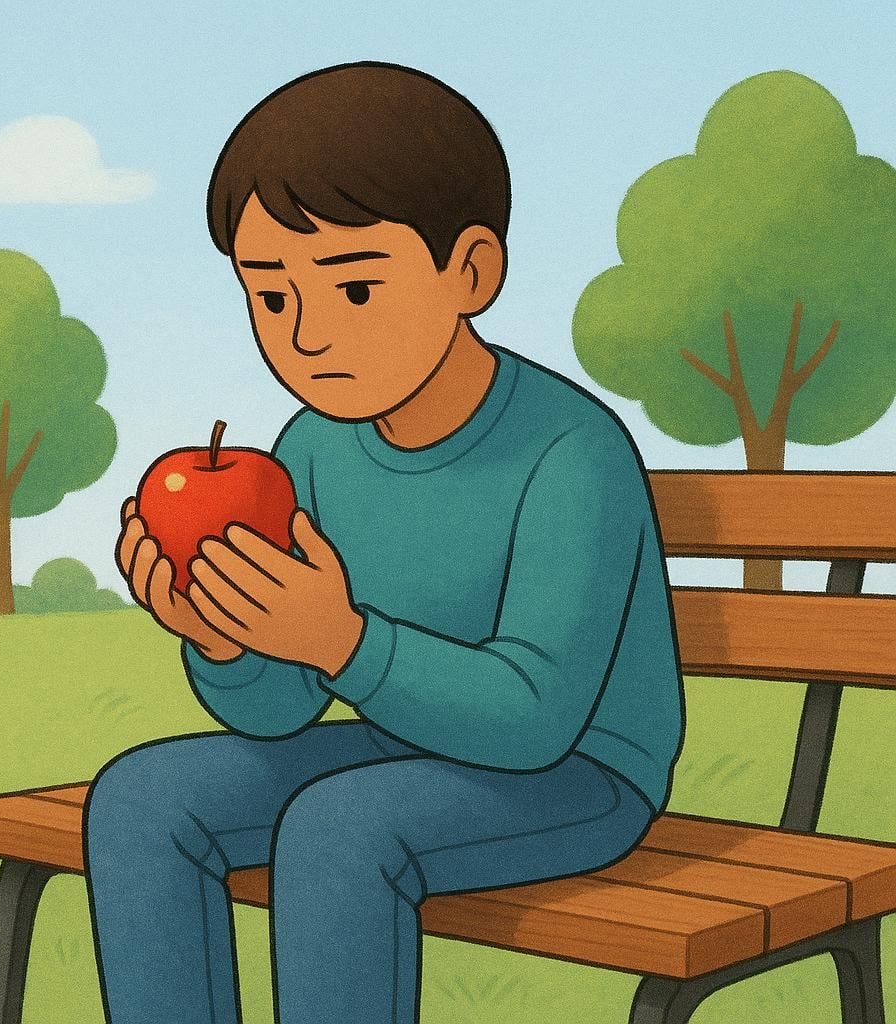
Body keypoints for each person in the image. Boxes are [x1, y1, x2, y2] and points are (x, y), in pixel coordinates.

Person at [84, 60, 685, 1024]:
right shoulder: (312, 450)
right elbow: (280, 713)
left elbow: (536, 718)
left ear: (471, 272)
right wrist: (228, 637)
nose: (308, 336)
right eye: (272, 298)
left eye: (355, 290)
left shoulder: (572, 451)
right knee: (143, 799)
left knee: (338, 827)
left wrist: (343, 642)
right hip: (398, 750)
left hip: (581, 774)